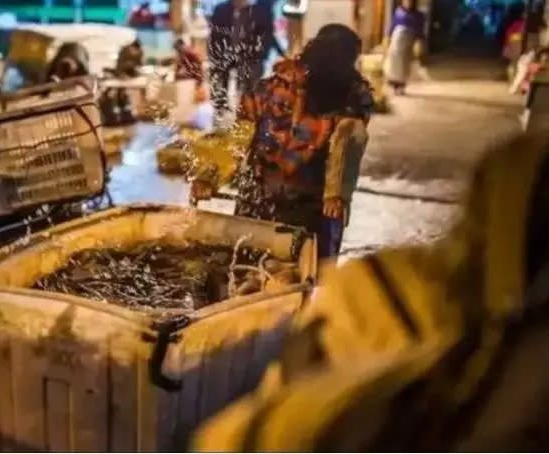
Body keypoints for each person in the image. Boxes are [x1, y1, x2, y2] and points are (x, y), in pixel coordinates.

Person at [194, 134, 549, 451]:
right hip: (282, 203)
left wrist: (334, 191)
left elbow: (341, 146)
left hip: (303, 206)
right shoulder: (385, 294)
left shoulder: (384, 301)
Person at [190, 24, 372, 259]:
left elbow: (239, 134)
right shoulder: (353, 96)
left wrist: (209, 175)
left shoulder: (273, 86)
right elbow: (347, 143)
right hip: (302, 206)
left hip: (275, 201)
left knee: (248, 272)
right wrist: (209, 177)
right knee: (297, 277)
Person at [207, 0, 285, 123]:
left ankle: (248, 115)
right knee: (218, 80)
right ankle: (220, 112)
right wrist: (214, 55)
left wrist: (276, 54)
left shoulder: (261, 10)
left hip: (251, 56)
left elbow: (269, 35)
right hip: (225, 53)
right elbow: (214, 35)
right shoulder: (221, 9)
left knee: (250, 86)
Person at [384, 0, 426, 95]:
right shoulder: (398, 12)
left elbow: (420, 29)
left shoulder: (419, 15)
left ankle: (402, 86)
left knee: (404, 66)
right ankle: (395, 85)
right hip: (396, 41)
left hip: (408, 43)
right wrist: (388, 37)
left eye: (410, 1)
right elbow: (393, 25)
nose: (408, 3)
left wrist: (419, 42)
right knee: (394, 65)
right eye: (406, 1)